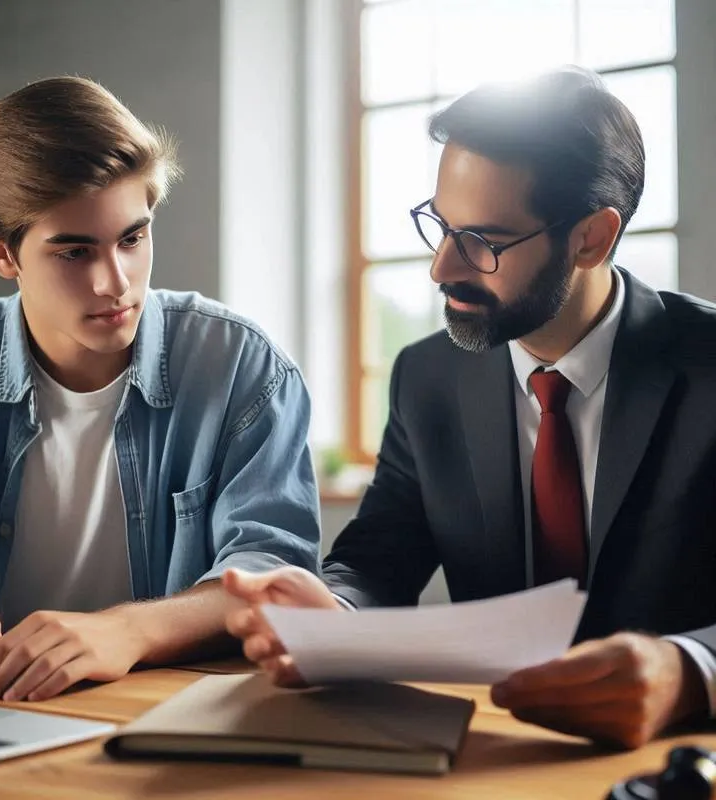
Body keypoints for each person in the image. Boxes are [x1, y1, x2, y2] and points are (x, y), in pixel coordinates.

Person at [223, 66, 716, 750]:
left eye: (482, 240)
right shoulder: (428, 377)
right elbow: (379, 556)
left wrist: (692, 671)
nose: (441, 268)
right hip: (490, 752)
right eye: (440, 225)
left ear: (592, 238)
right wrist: (329, 614)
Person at [0, 77, 320, 702]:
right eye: (75, 253)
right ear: (2, 254)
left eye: (133, 238)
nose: (116, 282)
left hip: (161, 718)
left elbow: (274, 574)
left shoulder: (241, 365)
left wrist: (126, 632)